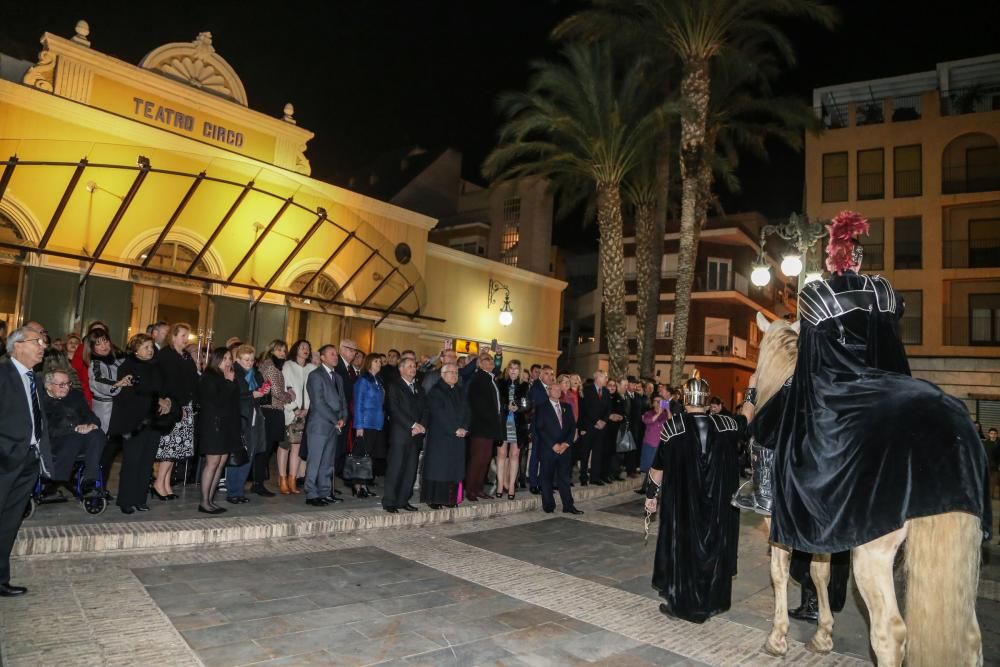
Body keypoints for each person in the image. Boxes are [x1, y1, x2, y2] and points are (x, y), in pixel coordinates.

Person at [644, 373, 750, 623]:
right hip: (717, 509)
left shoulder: (674, 427)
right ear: (706, 399)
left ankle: (684, 604)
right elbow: (747, 419)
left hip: (683, 507)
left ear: (685, 398)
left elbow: (657, 467)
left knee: (684, 550)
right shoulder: (726, 424)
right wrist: (752, 389)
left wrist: (651, 496)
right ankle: (711, 602)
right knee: (713, 549)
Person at [0, 327, 55, 596]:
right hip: (4, 460)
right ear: (18, 345)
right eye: (37, 342)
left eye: (43, 342)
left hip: (27, 461)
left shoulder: (33, 378)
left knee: (9, 522)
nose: (42, 346)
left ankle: (0, 579)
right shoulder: (2, 375)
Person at [110, 334, 171, 515]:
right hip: (134, 423)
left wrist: (167, 401)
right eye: (146, 347)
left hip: (153, 421)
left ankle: (140, 499)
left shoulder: (156, 367)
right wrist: (156, 401)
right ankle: (126, 500)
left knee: (147, 462)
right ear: (135, 349)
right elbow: (128, 396)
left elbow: (164, 389)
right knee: (132, 462)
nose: (150, 350)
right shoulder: (127, 367)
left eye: (151, 347)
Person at [40, 368, 105, 495]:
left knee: (98, 434)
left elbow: (92, 417)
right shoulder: (41, 401)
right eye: (61, 385)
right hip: (55, 441)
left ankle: (90, 479)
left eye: (68, 384)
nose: (66, 388)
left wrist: (92, 425)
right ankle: (58, 477)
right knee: (75, 437)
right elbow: (47, 429)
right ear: (48, 386)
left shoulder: (75, 395)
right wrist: (73, 428)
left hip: (81, 438)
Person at [153, 323, 198, 501]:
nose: (186, 339)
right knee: (169, 448)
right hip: (173, 406)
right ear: (173, 337)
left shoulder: (186, 356)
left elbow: (192, 379)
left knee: (176, 450)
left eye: (187, 336)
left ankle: (166, 483)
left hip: (185, 405)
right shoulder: (166, 355)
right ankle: (159, 482)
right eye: (183, 336)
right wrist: (177, 405)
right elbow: (168, 383)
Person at [195, 348, 239, 514]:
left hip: (226, 426)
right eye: (224, 358)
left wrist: (230, 382)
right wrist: (228, 382)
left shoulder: (227, 376)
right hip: (213, 426)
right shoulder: (208, 377)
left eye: (230, 358)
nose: (228, 361)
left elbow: (233, 402)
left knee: (220, 464)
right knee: (212, 463)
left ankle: (211, 500)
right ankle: (204, 502)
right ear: (216, 359)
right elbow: (215, 402)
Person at [421, 363, 470, 508]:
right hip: (441, 437)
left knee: (454, 469)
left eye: (456, 373)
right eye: (451, 372)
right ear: (442, 374)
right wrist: (454, 429)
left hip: (458, 436)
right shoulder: (436, 391)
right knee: (439, 469)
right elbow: (438, 414)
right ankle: (435, 499)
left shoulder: (461, 391)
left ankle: (450, 499)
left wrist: (465, 427)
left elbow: (468, 412)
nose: (455, 375)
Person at [382, 356, 427, 513]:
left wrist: (422, 426)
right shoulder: (394, 386)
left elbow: (426, 410)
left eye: (414, 366)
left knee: (410, 470)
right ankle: (389, 501)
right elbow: (394, 410)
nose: (413, 369)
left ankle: (403, 500)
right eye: (409, 366)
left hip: (416, 435)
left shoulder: (419, 388)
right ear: (401, 369)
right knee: (396, 468)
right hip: (400, 434)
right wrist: (413, 425)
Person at [304, 345, 347, 506]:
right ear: (322, 357)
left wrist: (343, 417)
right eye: (332, 354)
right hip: (320, 425)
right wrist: (335, 419)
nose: (336, 357)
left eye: (336, 354)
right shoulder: (315, 376)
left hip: (334, 425)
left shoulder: (338, 377)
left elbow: (343, 399)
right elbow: (318, 402)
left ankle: (325, 492)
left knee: (328, 462)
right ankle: (311, 494)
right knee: (315, 461)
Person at [532, 382, 582, 515]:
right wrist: (553, 445)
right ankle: (548, 505)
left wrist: (566, 444)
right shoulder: (542, 407)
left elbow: (572, 427)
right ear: (549, 391)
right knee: (546, 478)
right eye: (554, 389)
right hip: (549, 448)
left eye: (559, 390)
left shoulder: (567, 407)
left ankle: (568, 506)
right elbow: (540, 428)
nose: (557, 392)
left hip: (565, 449)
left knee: (564, 478)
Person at [231, 344, 269, 504]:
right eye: (246, 360)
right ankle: (233, 491)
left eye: (252, 360)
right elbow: (234, 396)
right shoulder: (234, 374)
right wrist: (251, 394)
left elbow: (263, 399)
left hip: (255, 417)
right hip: (240, 418)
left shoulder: (256, 374)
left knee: (251, 454)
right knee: (239, 454)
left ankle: (239, 490)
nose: (249, 363)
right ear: (238, 359)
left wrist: (264, 393)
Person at [258, 340, 296, 496]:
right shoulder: (271, 367)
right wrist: (290, 396)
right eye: (279, 350)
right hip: (271, 411)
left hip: (273, 411)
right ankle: (258, 483)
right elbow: (277, 392)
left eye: (284, 351)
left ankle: (258, 482)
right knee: (265, 450)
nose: (282, 353)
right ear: (271, 350)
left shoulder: (272, 366)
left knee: (266, 450)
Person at [466, 352, 503, 502]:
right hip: (481, 426)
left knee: (485, 460)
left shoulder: (490, 378)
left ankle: (479, 488)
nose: (490, 362)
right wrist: (493, 419)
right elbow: (478, 405)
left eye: (491, 360)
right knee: (477, 460)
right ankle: (470, 490)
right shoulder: (478, 378)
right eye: (486, 360)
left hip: (489, 426)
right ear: (479, 363)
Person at [282, 340, 315, 493]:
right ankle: (283, 478)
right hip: (290, 412)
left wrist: (307, 408)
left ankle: (292, 479)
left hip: (306, 413)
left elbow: (313, 391)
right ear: (296, 349)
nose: (305, 350)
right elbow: (284, 388)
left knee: (297, 447)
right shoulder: (288, 365)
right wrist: (294, 408)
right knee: (285, 446)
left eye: (308, 348)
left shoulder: (312, 368)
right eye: (302, 347)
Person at [350, 353, 385, 498]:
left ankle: (364, 484)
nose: (379, 364)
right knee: (360, 456)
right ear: (369, 363)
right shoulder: (363, 381)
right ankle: (357, 486)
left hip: (376, 423)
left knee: (368, 456)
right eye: (376, 361)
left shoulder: (378, 381)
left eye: (380, 362)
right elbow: (358, 404)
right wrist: (359, 426)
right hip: (365, 423)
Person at [496, 360, 529, 499]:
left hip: (517, 424)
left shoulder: (525, 385)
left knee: (514, 455)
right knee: (502, 455)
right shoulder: (500, 383)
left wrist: (519, 408)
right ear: (507, 370)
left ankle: (511, 487)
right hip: (503, 422)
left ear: (520, 370)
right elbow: (496, 402)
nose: (513, 371)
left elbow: (528, 404)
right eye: (511, 368)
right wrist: (505, 407)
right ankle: (499, 485)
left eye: (516, 368)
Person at [87, 329, 127, 433]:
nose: (104, 346)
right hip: (105, 411)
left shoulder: (118, 360)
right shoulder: (96, 364)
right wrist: (118, 384)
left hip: (119, 409)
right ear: (92, 348)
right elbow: (99, 381)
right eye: (98, 344)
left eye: (105, 341)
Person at [576, 369, 610, 486]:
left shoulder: (606, 391)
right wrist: (596, 421)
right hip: (589, 426)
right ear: (598, 378)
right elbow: (585, 409)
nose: (606, 379)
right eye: (605, 377)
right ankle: (583, 477)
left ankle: (595, 477)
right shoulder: (586, 390)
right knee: (585, 453)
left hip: (601, 428)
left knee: (598, 453)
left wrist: (604, 421)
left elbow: (608, 409)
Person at [526, 366, 554, 494]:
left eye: (552, 374)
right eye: (547, 374)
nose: (550, 376)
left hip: (549, 429)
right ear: (541, 375)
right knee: (536, 456)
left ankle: (543, 483)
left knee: (546, 458)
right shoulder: (536, 388)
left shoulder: (552, 388)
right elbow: (535, 409)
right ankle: (533, 483)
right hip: (538, 428)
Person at [636, 397, 670, 495]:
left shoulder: (665, 414)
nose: (659, 403)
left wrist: (667, 409)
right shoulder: (648, 413)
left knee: (658, 467)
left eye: (661, 402)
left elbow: (671, 421)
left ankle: (650, 489)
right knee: (650, 467)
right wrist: (659, 413)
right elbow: (648, 421)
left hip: (661, 444)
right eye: (657, 401)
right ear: (653, 403)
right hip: (650, 444)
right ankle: (647, 488)